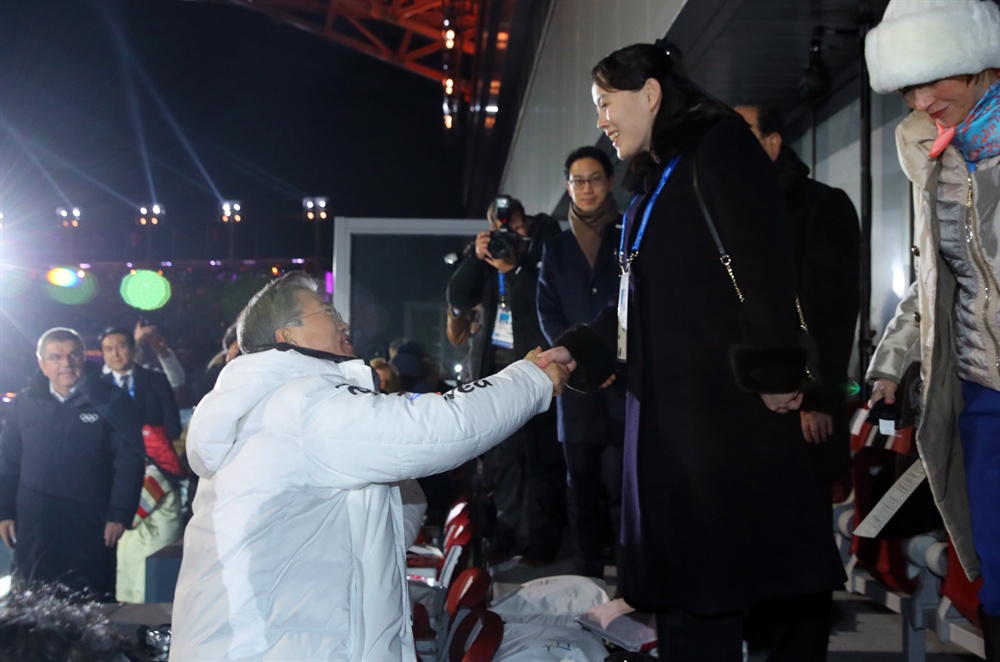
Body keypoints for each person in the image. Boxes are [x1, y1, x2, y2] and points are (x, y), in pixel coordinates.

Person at [538, 44, 845, 661]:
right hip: (672, 425)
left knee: (715, 594)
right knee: (687, 597)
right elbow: (639, 297)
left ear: (650, 93)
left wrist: (779, 369)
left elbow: (763, 266)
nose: (601, 120)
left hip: (720, 423)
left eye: (606, 104)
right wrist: (579, 349)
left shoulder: (719, 148)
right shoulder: (660, 173)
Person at [168, 271, 570, 661]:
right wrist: (528, 380)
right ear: (286, 336)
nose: (342, 321)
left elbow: (395, 515)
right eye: (326, 311)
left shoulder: (274, 406)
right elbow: (438, 429)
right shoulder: (301, 404)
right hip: (269, 646)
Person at [864, 0, 1000, 657]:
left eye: (935, 79)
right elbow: (932, 278)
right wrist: (891, 362)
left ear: (978, 64)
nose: (923, 99)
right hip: (978, 392)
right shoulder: (928, 150)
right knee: (994, 569)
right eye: (908, 87)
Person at [734, 104, 861, 500]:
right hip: (742, 407)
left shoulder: (821, 205)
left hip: (799, 403)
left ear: (772, 144)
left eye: (741, 137)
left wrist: (817, 398)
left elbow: (831, 312)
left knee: (802, 530)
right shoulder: (728, 210)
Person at [446, 196, 566, 565]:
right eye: (499, 225)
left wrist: (516, 264)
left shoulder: (542, 248)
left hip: (535, 364)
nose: (506, 232)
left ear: (524, 220)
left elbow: (542, 299)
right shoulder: (487, 256)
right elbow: (458, 298)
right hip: (494, 369)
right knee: (502, 460)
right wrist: (475, 257)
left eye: (511, 223)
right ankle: (506, 536)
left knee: (540, 459)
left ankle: (542, 542)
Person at [0, 327, 145, 602]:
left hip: (89, 522)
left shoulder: (112, 401)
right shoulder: (24, 404)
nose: (65, 364)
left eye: (72, 355)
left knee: (90, 602)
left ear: (83, 357)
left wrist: (119, 513)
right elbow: (8, 461)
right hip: (34, 521)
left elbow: (129, 461)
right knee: (32, 604)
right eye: (55, 357)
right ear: (42, 364)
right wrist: (4, 510)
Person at [537, 145, 625, 579]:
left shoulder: (628, 234)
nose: (586, 188)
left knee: (624, 491)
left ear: (610, 182)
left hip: (623, 383)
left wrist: (606, 359)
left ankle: (633, 581)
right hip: (575, 385)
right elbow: (547, 311)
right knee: (581, 491)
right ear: (568, 186)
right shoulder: (554, 249)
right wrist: (582, 361)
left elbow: (629, 304)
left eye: (594, 179)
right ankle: (586, 580)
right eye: (577, 180)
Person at [99, 326, 186, 603]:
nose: (116, 353)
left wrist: (151, 445)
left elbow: (172, 425)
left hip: (157, 473)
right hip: (110, 479)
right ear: (102, 353)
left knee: (153, 554)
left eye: (121, 346)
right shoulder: (93, 386)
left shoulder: (155, 380)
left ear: (133, 349)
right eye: (109, 348)